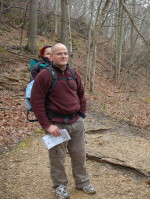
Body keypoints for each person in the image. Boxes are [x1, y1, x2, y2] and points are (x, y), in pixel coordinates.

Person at [31, 43, 96, 199]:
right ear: (51, 56)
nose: (63, 56)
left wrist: (82, 114)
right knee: (57, 158)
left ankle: (82, 182)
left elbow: (81, 94)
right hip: (57, 125)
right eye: (59, 53)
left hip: (76, 122)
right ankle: (60, 186)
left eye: (66, 53)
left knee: (79, 154)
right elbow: (36, 101)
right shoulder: (45, 75)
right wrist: (47, 125)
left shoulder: (74, 73)